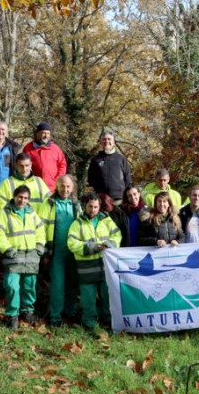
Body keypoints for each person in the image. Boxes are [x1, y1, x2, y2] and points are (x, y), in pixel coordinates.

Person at [0, 185, 46, 328]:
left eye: (26, 198)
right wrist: (8, 249)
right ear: (15, 197)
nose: (23, 201)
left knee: (29, 286)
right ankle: (12, 316)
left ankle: (27, 312)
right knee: (12, 286)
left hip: (31, 256)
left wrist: (40, 247)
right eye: (20, 197)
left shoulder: (32, 213)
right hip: (13, 255)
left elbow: (40, 230)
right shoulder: (4, 213)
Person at [67, 193, 122, 332]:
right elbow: (72, 243)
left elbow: (117, 235)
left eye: (96, 207)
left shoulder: (107, 220)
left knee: (106, 296)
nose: (93, 210)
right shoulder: (77, 224)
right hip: (86, 269)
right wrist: (91, 247)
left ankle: (108, 321)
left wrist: (110, 244)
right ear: (85, 206)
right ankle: (89, 323)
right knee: (88, 298)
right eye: (90, 207)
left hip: (105, 267)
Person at [42, 175, 80, 327]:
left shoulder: (76, 205)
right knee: (57, 284)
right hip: (56, 251)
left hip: (74, 252)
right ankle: (55, 316)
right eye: (62, 186)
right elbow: (42, 227)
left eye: (68, 187)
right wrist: (44, 249)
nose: (65, 189)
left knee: (73, 283)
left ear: (72, 188)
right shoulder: (50, 204)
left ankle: (70, 312)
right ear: (57, 186)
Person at [0, 152, 50, 217]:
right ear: (15, 165)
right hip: (15, 224)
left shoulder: (39, 182)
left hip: (37, 224)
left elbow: (48, 202)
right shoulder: (7, 183)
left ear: (31, 165)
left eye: (27, 165)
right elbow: (0, 205)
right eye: (21, 166)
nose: (24, 169)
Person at [86, 128, 132, 202]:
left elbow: (127, 179)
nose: (106, 141)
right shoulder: (95, 159)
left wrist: (124, 194)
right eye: (104, 139)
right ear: (101, 142)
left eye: (109, 139)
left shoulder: (121, 158)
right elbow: (91, 179)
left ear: (114, 142)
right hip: (101, 199)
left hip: (119, 198)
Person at [22, 122, 67, 192]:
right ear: (37, 134)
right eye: (43, 133)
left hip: (52, 188)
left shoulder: (55, 148)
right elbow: (23, 166)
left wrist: (57, 180)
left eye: (48, 133)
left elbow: (62, 164)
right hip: (34, 188)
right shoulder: (28, 149)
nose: (46, 136)